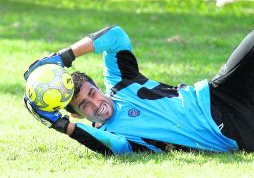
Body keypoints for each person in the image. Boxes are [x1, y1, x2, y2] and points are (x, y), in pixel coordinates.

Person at [23, 26, 254, 155]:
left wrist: (64, 56)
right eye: (84, 105)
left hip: (220, 93)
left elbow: (116, 36)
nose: (96, 104)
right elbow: (116, 149)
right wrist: (57, 123)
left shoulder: (120, 81)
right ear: (76, 115)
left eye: (92, 94)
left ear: (97, 87)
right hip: (231, 132)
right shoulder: (114, 136)